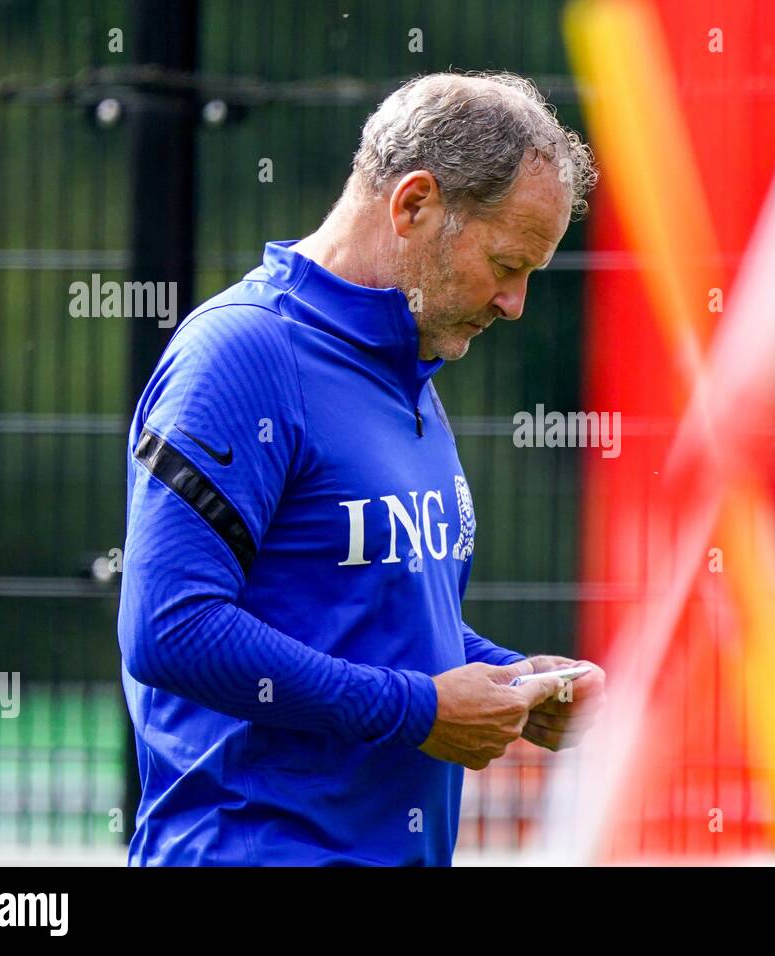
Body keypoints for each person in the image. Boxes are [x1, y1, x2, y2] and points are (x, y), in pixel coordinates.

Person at [117, 71, 604, 866]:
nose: (515, 303)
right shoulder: (242, 353)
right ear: (414, 205)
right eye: (507, 263)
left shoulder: (407, 364)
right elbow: (169, 629)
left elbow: (364, 618)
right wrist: (417, 710)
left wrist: (507, 682)